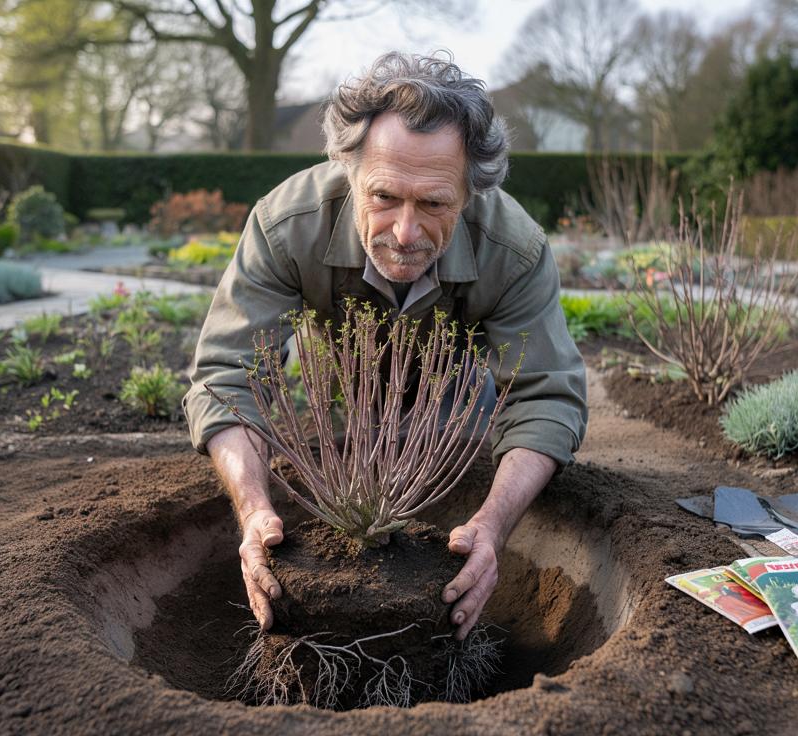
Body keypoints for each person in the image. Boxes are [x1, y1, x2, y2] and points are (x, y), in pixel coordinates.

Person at [182, 51, 587, 641]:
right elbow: (226, 377)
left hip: (455, 404)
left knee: (461, 476)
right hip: (337, 398)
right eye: (384, 197)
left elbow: (547, 396)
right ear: (348, 172)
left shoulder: (513, 249)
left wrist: (493, 527)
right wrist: (253, 512)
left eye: (433, 204)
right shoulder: (287, 224)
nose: (404, 232)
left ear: (471, 192)